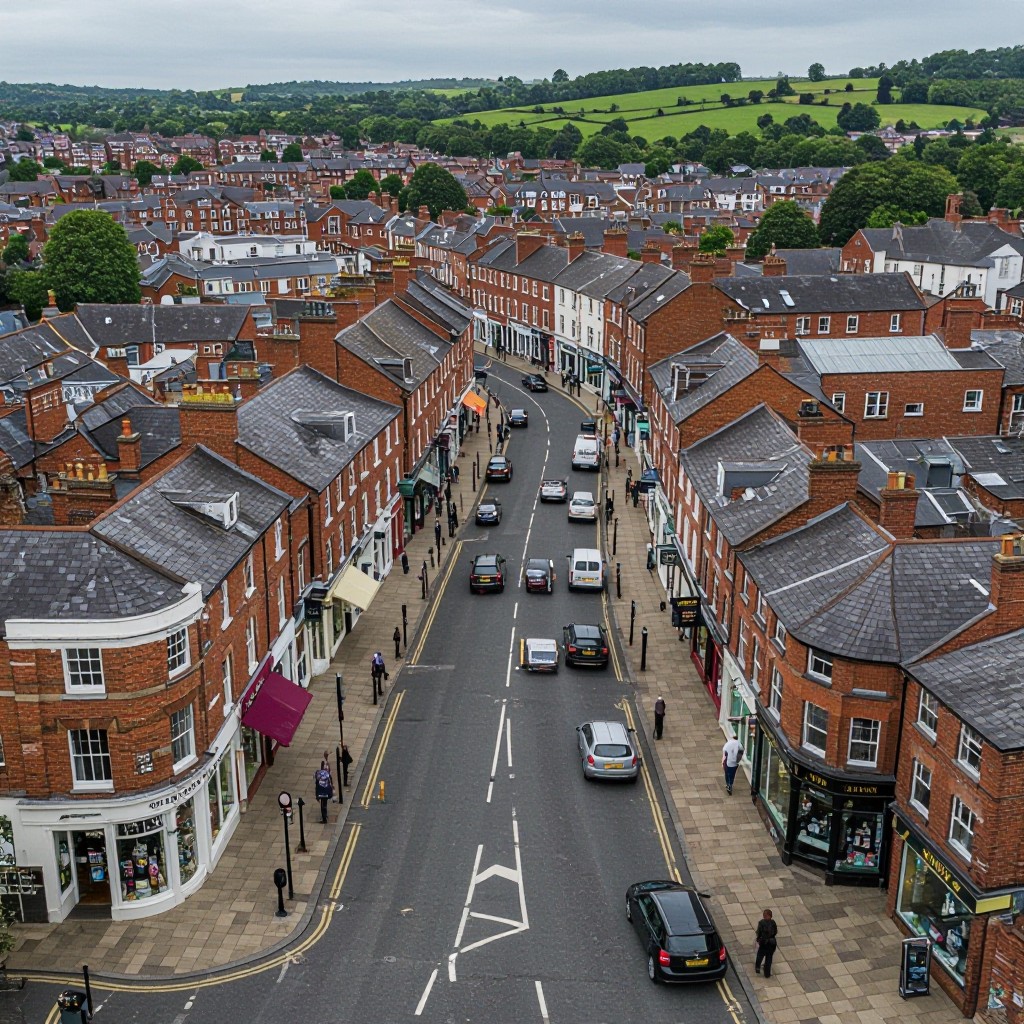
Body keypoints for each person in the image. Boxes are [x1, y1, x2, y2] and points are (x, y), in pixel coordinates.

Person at [754, 909, 778, 978]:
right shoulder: (773, 922)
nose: (764, 916)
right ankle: (767, 974)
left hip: (765, 943)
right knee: (768, 958)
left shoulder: (761, 922)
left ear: (769, 916)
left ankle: (758, 968)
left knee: (761, 956)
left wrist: (758, 939)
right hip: (771, 943)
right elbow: (775, 932)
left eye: (765, 915)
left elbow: (759, 932)